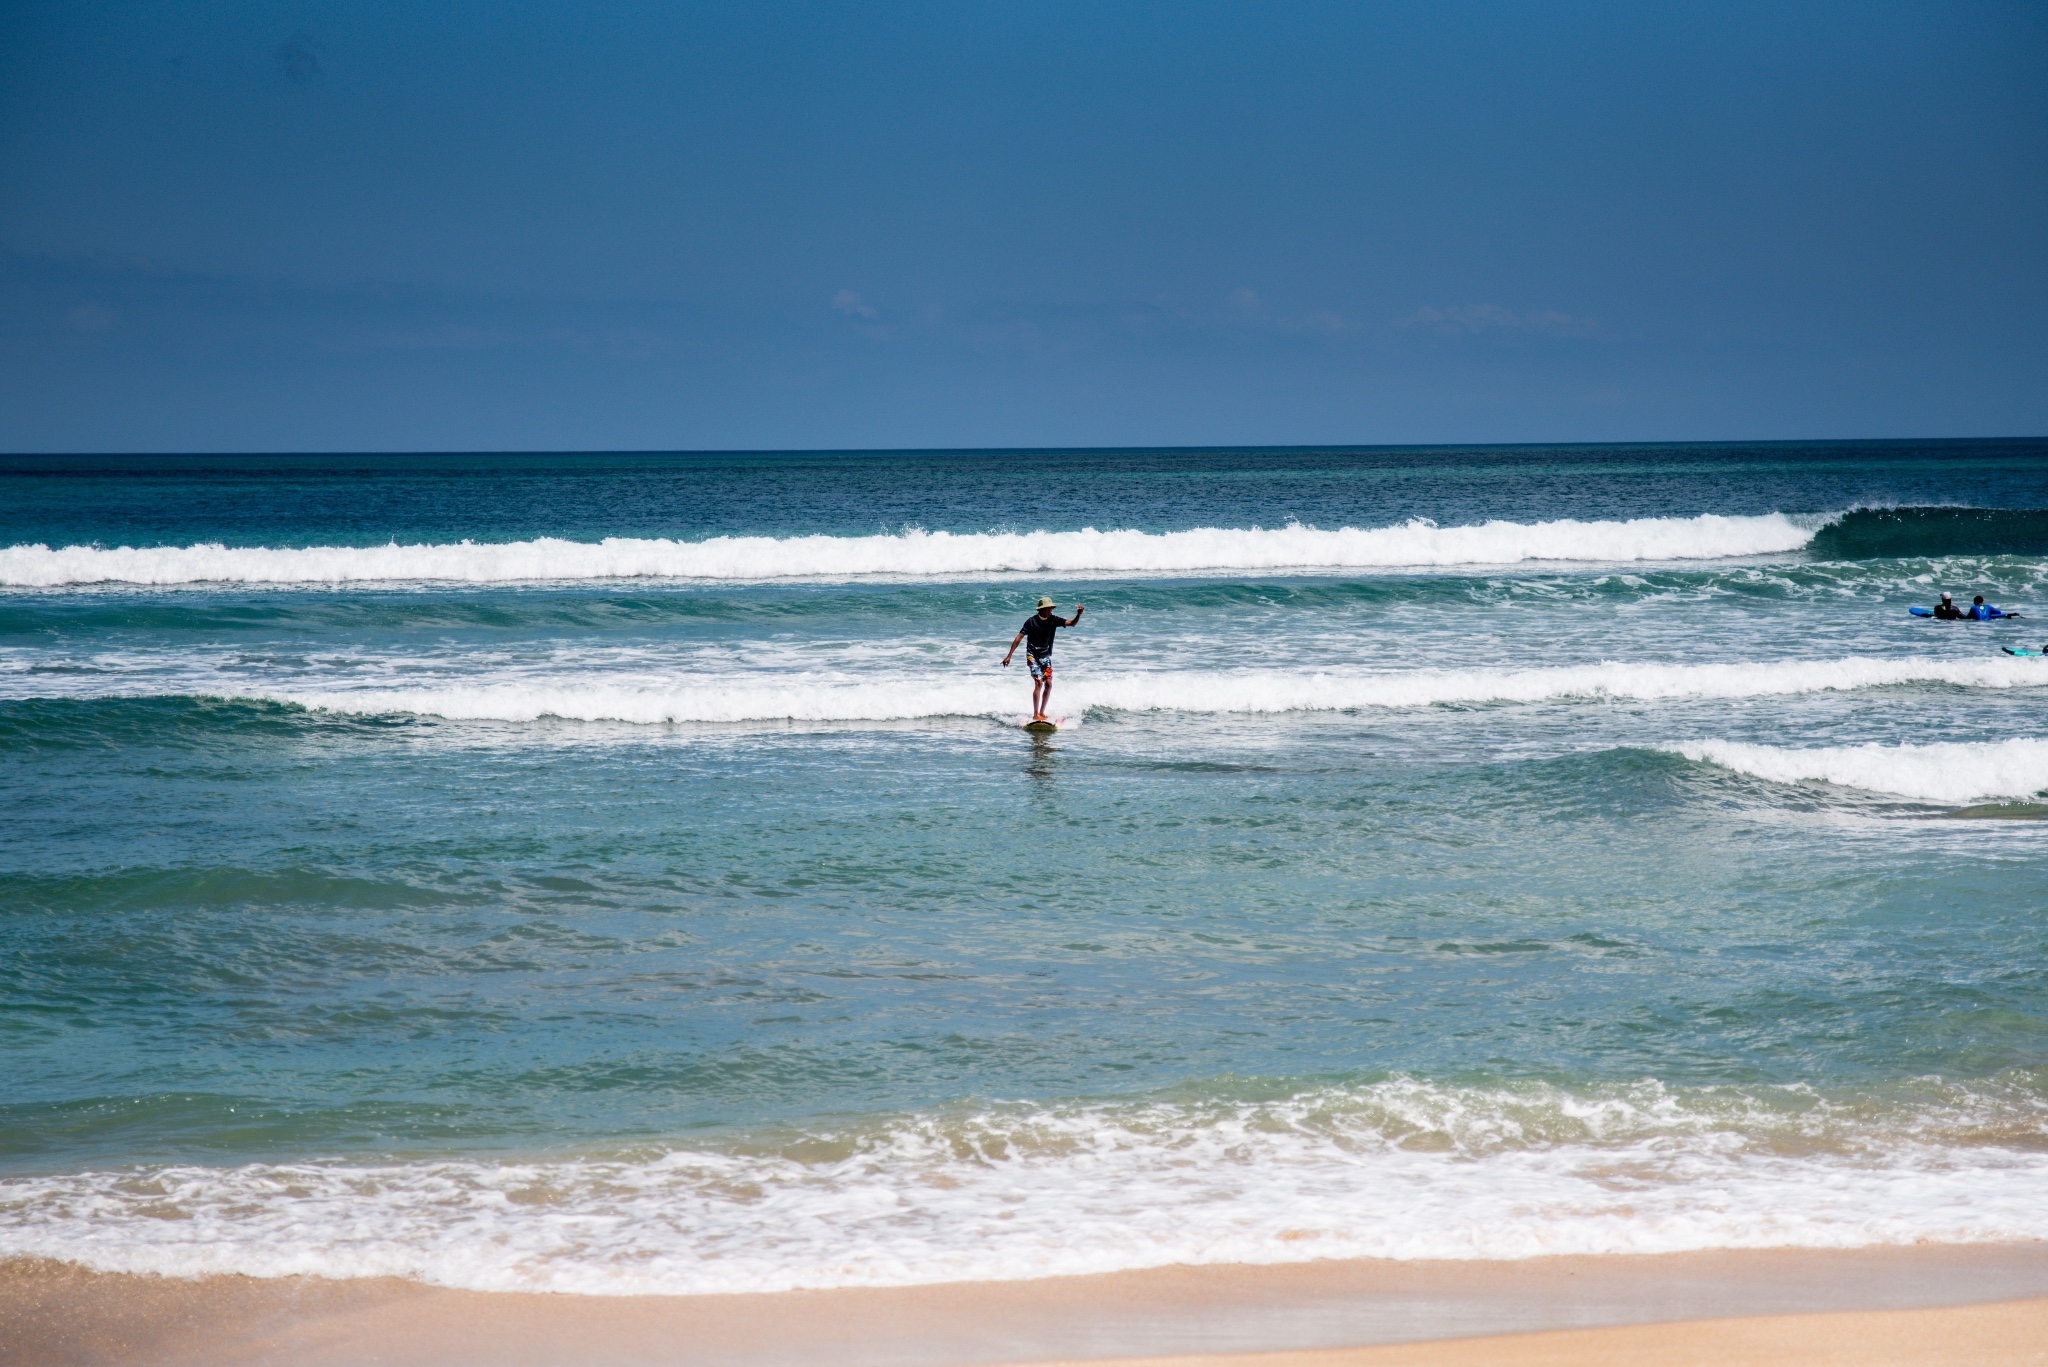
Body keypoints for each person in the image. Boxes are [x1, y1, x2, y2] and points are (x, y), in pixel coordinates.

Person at [1001, 596, 1084, 722]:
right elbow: (1019, 638)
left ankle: (1042, 712)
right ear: (1042, 609)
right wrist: (1009, 656)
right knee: (1039, 682)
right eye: (1049, 608)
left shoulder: (1054, 620)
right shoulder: (1031, 621)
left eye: (1051, 607)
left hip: (1045, 656)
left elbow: (1072, 624)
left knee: (1049, 684)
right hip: (1032, 655)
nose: (1051, 609)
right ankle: (1035, 714)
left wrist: (1078, 614)